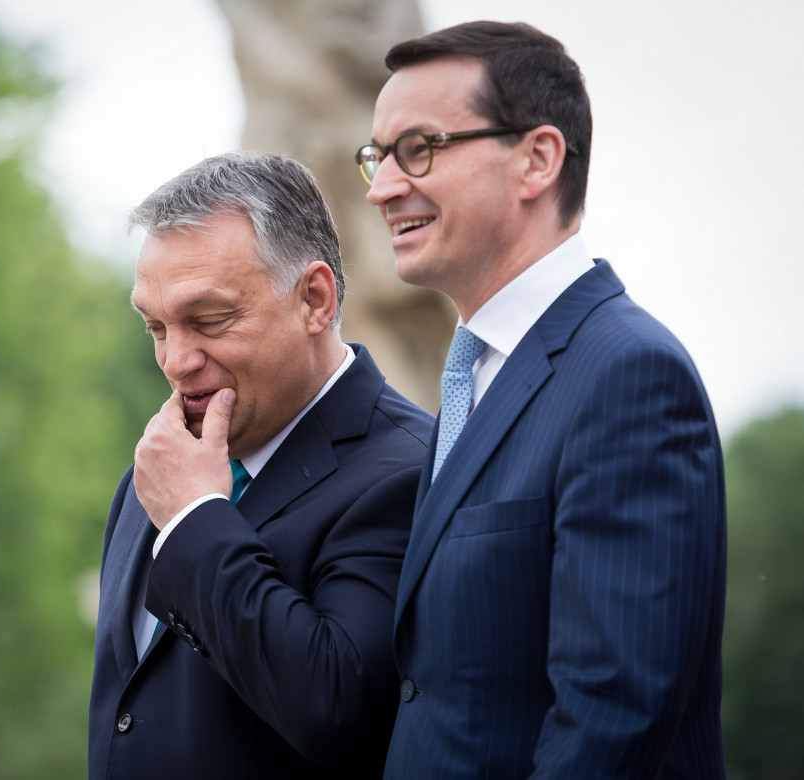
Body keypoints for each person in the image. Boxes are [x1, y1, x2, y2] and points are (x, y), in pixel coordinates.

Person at [356, 21, 727, 778]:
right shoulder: (472, 373)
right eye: (377, 156)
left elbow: (610, 722)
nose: (384, 187)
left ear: (537, 159)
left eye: (418, 149)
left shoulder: (629, 377)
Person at [88, 152, 434, 779]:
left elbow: (336, 708)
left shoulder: (412, 472)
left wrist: (196, 520)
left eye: (210, 321)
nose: (175, 361)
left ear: (315, 300)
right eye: (156, 327)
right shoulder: (158, 474)